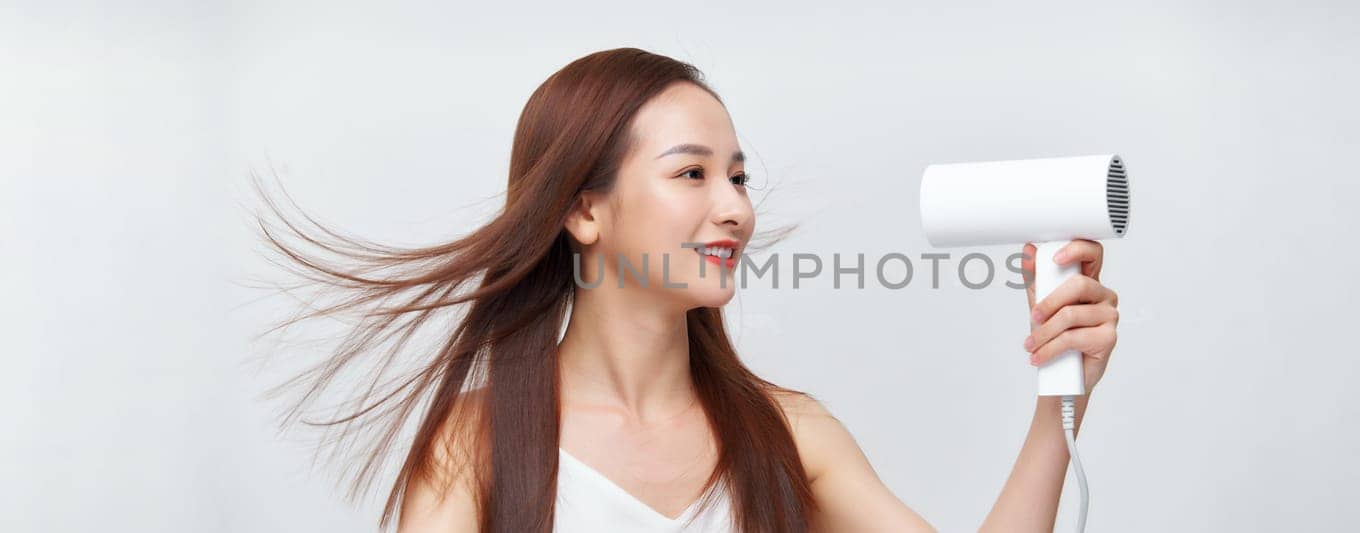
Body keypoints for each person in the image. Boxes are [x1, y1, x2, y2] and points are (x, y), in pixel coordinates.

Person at [252, 47, 1120, 533]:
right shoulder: (476, 442)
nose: (734, 207)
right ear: (585, 211)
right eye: (692, 173)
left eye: (738, 176)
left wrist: (1060, 402)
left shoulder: (785, 432)